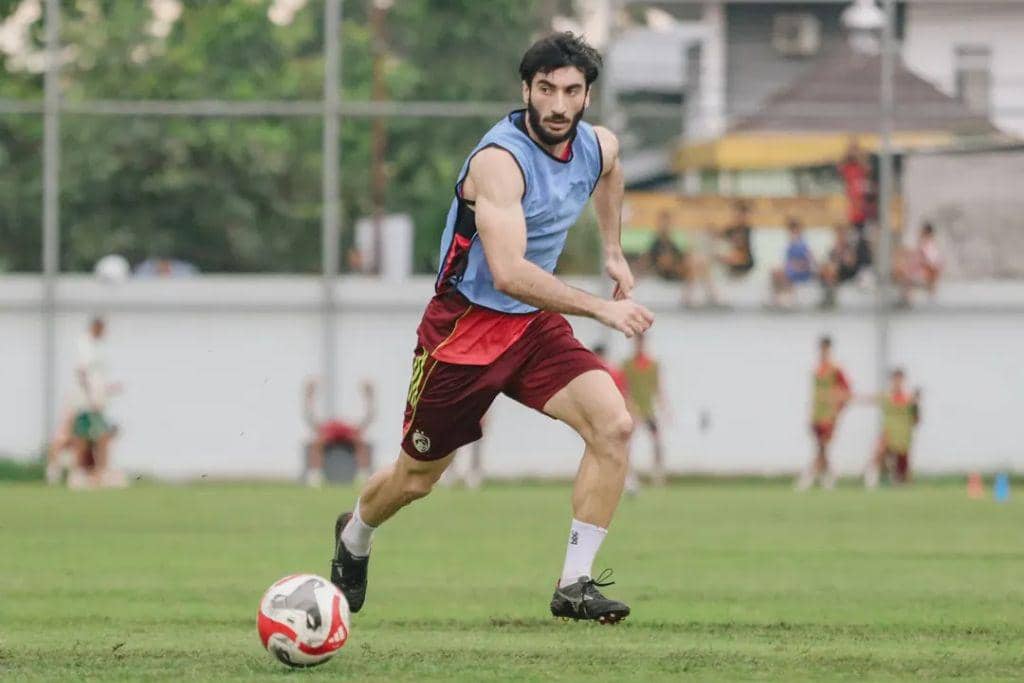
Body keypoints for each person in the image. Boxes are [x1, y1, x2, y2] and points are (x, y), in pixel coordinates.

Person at [329, 33, 653, 625]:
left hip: (531, 328)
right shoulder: (499, 162)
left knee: (614, 425)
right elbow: (508, 273)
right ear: (526, 90)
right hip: (463, 331)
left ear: (587, 97)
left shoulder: (596, 144)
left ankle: (574, 583)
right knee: (416, 479)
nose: (558, 104)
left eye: (572, 91)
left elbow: (612, 172)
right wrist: (600, 309)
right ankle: (355, 534)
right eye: (546, 89)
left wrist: (613, 250)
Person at [68, 317, 123, 488]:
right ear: (96, 327)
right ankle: (84, 474)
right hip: (86, 403)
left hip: (96, 401)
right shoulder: (84, 345)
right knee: (89, 437)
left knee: (95, 436)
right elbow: (82, 373)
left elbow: (96, 376)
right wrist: (90, 396)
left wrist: (107, 390)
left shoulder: (97, 347)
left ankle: (93, 474)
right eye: (102, 329)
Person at [796, 336, 851, 491]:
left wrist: (836, 404)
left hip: (829, 414)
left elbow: (847, 392)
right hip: (817, 414)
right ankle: (829, 476)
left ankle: (809, 477)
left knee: (823, 446)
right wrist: (811, 412)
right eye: (821, 348)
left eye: (825, 349)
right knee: (821, 448)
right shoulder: (816, 369)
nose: (823, 352)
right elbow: (815, 394)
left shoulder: (836, 369)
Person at [304, 378, 375, 487]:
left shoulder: (351, 428)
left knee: (362, 444)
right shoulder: (326, 428)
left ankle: (363, 475)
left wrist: (370, 397)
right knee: (316, 443)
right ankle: (315, 476)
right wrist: (309, 395)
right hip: (329, 430)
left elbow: (367, 419)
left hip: (349, 432)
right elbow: (311, 419)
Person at [643, 209, 719, 307]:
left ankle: (710, 295)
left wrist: (687, 254)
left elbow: (679, 256)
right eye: (664, 223)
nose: (667, 226)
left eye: (668, 223)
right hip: (667, 272)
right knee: (694, 265)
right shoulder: (657, 242)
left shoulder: (671, 241)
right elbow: (661, 262)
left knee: (699, 261)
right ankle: (692, 298)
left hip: (677, 268)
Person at [620, 334, 667, 486]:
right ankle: (629, 475)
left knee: (657, 441)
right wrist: (631, 408)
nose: (639, 345)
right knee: (628, 444)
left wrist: (664, 408)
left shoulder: (653, 365)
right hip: (632, 411)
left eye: (641, 342)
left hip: (649, 410)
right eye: (637, 342)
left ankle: (657, 474)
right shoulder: (627, 365)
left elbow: (658, 388)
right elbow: (624, 389)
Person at [863, 369, 921, 489]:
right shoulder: (886, 397)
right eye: (895, 380)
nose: (897, 383)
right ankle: (871, 479)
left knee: (903, 475)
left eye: (899, 380)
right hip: (889, 434)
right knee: (879, 453)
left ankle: (897, 477)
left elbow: (916, 420)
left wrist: (916, 406)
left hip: (903, 437)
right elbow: (869, 399)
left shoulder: (909, 399)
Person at [893, 222, 943, 306]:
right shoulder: (924, 245)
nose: (920, 233)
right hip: (919, 272)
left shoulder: (929, 246)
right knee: (903, 270)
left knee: (904, 274)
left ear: (926, 233)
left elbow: (932, 263)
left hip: (923, 273)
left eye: (922, 232)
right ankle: (906, 297)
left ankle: (907, 298)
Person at [770, 217, 815, 308]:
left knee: (784, 274)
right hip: (791, 269)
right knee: (776, 272)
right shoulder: (791, 244)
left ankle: (787, 299)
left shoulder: (803, 244)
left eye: (794, 231)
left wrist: (795, 265)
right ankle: (777, 298)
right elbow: (788, 261)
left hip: (802, 271)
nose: (792, 233)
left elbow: (809, 261)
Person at [818, 223, 861, 308]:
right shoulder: (833, 249)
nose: (839, 237)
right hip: (835, 272)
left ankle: (829, 295)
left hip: (846, 271)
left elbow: (851, 264)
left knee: (832, 269)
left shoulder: (849, 247)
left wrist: (841, 258)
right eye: (838, 235)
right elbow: (829, 260)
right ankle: (828, 292)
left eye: (841, 234)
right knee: (825, 269)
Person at [716, 201, 755, 277]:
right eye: (736, 214)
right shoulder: (729, 230)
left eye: (741, 214)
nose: (738, 217)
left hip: (745, 268)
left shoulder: (749, 231)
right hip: (732, 269)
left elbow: (744, 255)